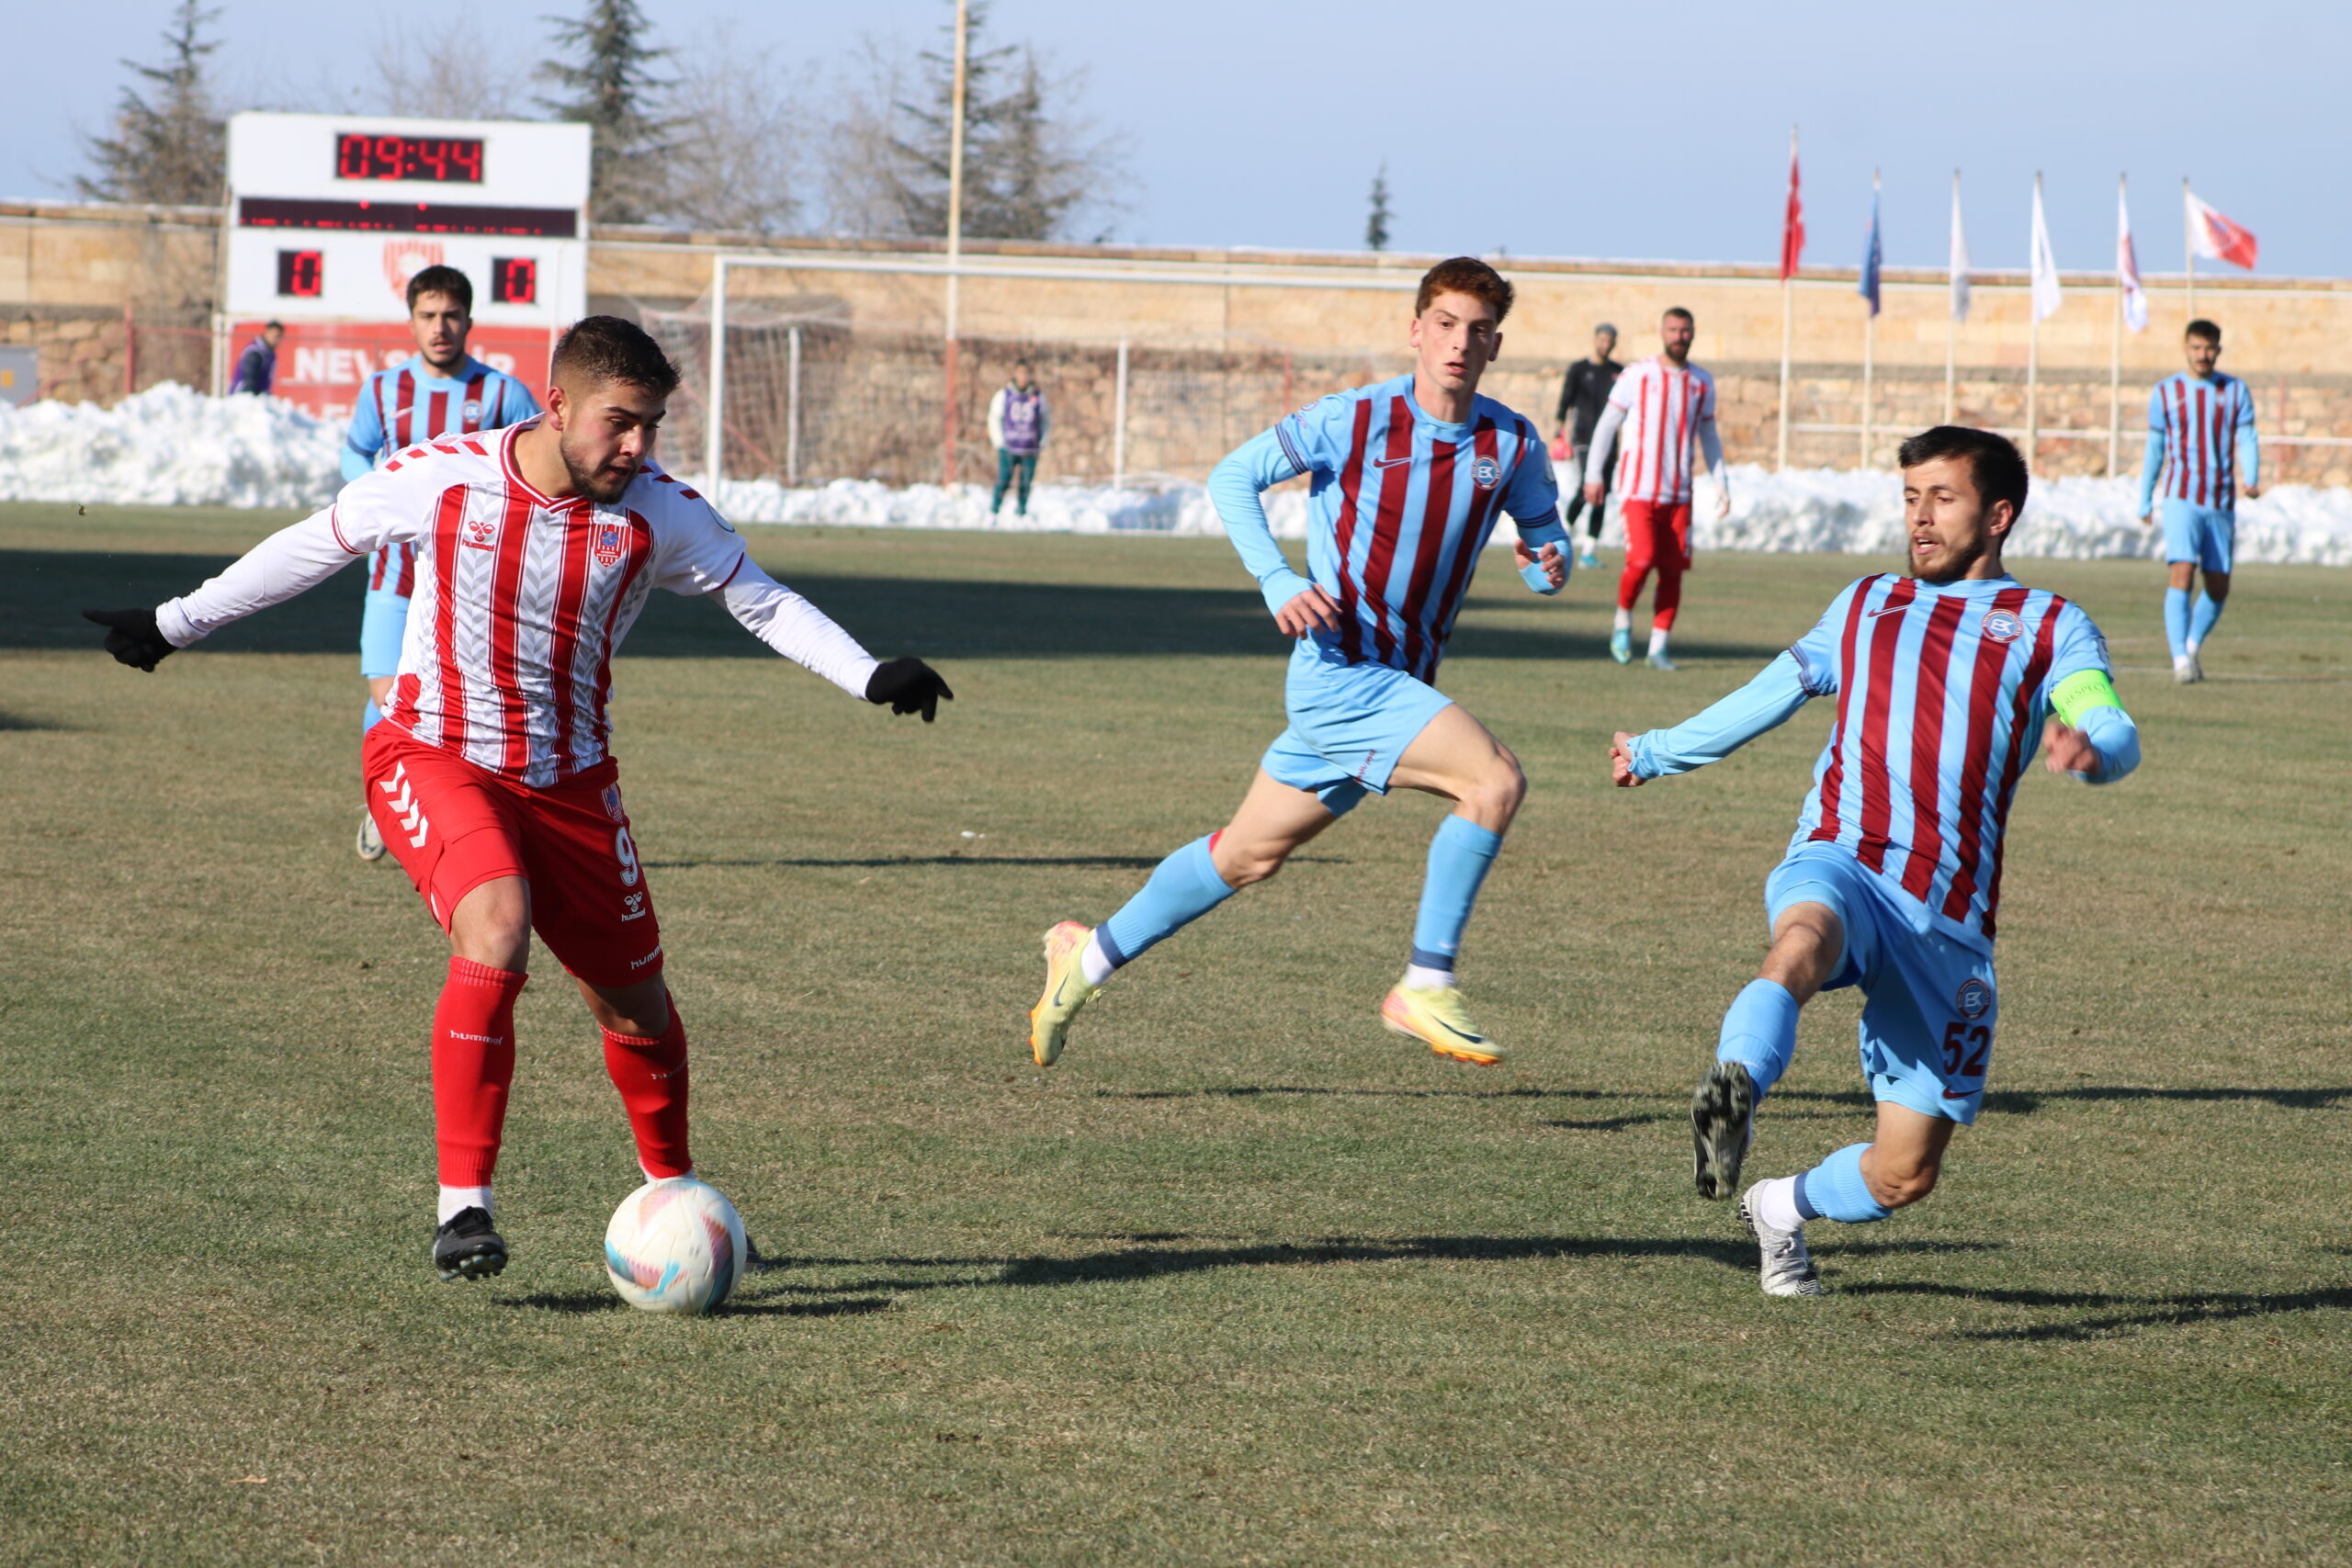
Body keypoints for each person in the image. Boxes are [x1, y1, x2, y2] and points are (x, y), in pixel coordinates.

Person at [82, 317, 954, 1285]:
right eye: (620, 423)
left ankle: (676, 1199)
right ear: (558, 404)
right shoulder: (443, 475)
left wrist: (870, 675)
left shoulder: (659, 514)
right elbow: (312, 546)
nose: (638, 447)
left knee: (637, 1013)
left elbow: (760, 599)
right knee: (497, 923)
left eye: (653, 426)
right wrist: (174, 623)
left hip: (574, 786)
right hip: (432, 751)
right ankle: (464, 1209)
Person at [1610, 426, 2140, 1298]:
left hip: (1949, 922)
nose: (1920, 517)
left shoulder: (2049, 626)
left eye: (1944, 498)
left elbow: (2108, 719)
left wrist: (2094, 747)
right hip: (1844, 855)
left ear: (1999, 514)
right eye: (1910, 498)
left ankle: (1781, 1206)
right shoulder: (1863, 604)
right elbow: (1768, 694)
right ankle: (1733, 1086)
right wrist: (1658, 750)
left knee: (1905, 1174)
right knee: (1799, 944)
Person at [1026, 256, 1569, 1070]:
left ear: (1496, 345)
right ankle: (1425, 981)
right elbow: (1232, 476)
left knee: (1246, 855)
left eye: (1479, 332)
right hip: (1340, 674)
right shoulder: (1355, 419)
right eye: (1447, 325)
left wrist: (1548, 561)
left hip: (1399, 682)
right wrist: (1277, 577)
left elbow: (1544, 535)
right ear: (1417, 330)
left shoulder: (1513, 442)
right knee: (1493, 781)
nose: (1461, 343)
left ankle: (1086, 955)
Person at [346, 266, 540, 862]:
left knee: (477, 693)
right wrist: (376, 497)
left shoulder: (503, 394)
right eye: (429, 315)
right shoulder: (382, 391)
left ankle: (483, 810)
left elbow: (535, 459)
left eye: (451, 315)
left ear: (469, 322)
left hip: (472, 580)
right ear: (411, 322)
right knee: (388, 689)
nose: (440, 327)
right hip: (395, 571)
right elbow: (355, 452)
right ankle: (388, 801)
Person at [1583, 307, 1730, 671]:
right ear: (1662, 332)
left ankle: (1658, 648)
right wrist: (1593, 474)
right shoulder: (1638, 374)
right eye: (1673, 329)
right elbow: (1606, 426)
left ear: (1693, 333)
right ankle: (1622, 624)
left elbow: (1708, 436)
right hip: (1638, 490)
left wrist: (1721, 482)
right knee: (1642, 559)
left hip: (1679, 493)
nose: (1679, 336)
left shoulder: (1701, 382)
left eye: (1685, 330)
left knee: (1673, 570)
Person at [2138, 318, 2259, 683]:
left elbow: (2248, 436)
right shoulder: (2166, 392)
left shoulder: (2236, 391)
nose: (2202, 355)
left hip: (2220, 501)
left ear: (2218, 350)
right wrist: (2145, 498)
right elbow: (2155, 448)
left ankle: (2191, 646)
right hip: (2181, 497)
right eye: (2196, 348)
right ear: (2186, 348)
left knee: (2219, 586)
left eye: (2209, 348)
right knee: (2183, 571)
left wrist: (2251, 478)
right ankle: (2179, 661)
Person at [1553, 322, 1622, 570]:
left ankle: (1589, 553)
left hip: (1609, 444)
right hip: (1583, 439)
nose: (1605, 345)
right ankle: (1561, 539)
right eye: (1602, 339)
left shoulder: (1617, 372)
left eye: (1610, 341)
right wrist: (1558, 430)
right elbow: (1565, 401)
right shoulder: (1579, 370)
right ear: (1595, 340)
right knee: (1586, 488)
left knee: (1601, 495)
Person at [988, 362, 1048, 516]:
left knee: (1026, 482)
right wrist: (998, 441)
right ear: (1014, 374)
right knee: (1004, 480)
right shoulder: (1005, 395)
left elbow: (1045, 420)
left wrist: (1042, 440)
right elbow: (994, 418)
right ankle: (994, 511)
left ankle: (1021, 512)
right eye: (1020, 373)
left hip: (1030, 447)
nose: (1023, 377)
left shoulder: (1037, 397)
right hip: (1009, 446)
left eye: (1026, 373)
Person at [230, 321, 284, 395]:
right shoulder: (255, 352)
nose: (277, 340)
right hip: (243, 397)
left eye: (280, 337)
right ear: (267, 333)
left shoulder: (270, 354)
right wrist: (254, 399)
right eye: (275, 336)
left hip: (257, 398)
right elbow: (249, 380)